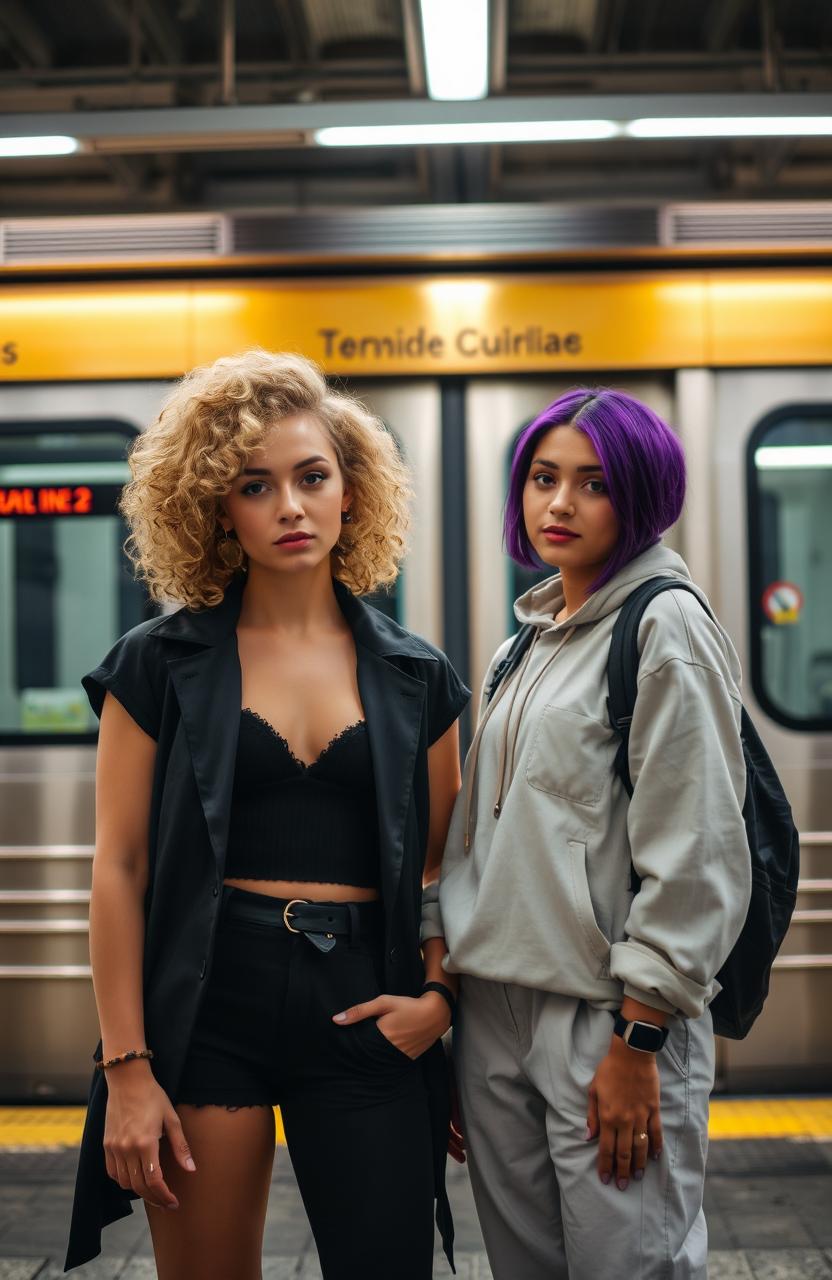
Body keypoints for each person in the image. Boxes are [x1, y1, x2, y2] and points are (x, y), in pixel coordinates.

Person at [64, 349, 470, 1279]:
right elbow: (119, 868)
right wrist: (127, 1067)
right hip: (210, 1004)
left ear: (351, 494)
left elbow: (448, 871)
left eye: (311, 477)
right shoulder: (156, 665)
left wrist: (439, 1002)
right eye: (255, 485)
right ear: (215, 508)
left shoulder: (419, 678)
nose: (289, 506)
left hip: (367, 1000)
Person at [430, 389, 752, 1280]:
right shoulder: (525, 645)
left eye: (594, 483)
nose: (559, 504)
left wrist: (640, 1039)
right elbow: (477, 845)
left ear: (642, 495)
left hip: (607, 1017)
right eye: (543, 478)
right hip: (496, 1008)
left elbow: (698, 850)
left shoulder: (664, 626)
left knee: (628, 1266)